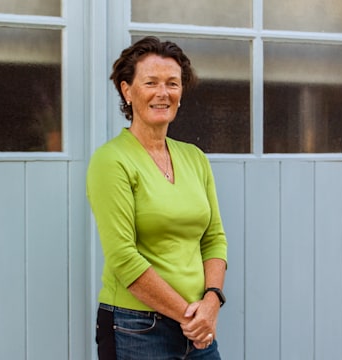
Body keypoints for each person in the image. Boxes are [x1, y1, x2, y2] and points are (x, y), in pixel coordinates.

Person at [87, 36, 228, 359]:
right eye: (150, 82)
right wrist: (191, 317)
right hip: (136, 327)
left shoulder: (194, 157)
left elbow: (214, 239)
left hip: (197, 324)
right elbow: (124, 258)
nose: (163, 93)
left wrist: (211, 301)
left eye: (172, 83)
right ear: (127, 90)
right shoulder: (111, 161)